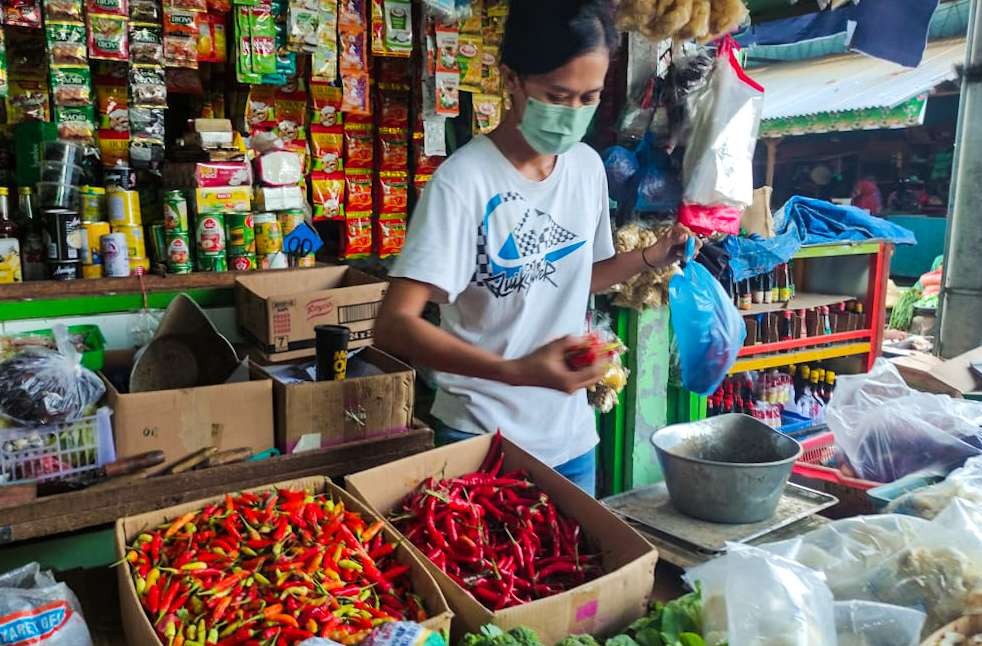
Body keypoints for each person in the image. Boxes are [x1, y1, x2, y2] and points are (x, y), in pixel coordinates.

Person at [375, 0, 693, 496]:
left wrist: (651, 257)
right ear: (512, 79)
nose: (572, 115)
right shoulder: (463, 183)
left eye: (588, 98)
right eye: (557, 95)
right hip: (482, 439)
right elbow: (395, 324)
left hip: (571, 441)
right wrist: (514, 372)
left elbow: (576, 277)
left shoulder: (586, 168)